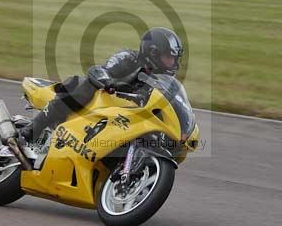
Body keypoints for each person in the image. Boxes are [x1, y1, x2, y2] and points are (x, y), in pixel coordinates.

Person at [18, 27, 184, 143]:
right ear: (153, 53)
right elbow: (100, 70)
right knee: (86, 86)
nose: (172, 64)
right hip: (100, 101)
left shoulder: (161, 82)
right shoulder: (127, 57)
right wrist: (109, 82)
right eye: (169, 58)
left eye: (175, 59)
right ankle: (33, 129)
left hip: (122, 117)